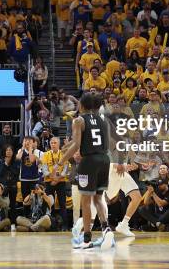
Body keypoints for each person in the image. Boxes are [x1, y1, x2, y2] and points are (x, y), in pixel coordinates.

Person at [59, 92, 113, 250]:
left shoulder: (79, 120)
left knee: (86, 201)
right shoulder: (104, 120)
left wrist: (60, 162)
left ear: (82, 105)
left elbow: (77, 145)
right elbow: (104, 142)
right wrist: (66, 147)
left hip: (88, 162)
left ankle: (87, 239)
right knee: (98, 198)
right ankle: (106, 229)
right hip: (104, 159)